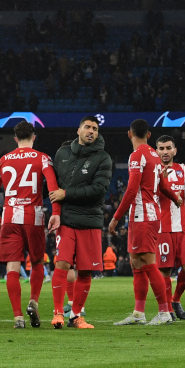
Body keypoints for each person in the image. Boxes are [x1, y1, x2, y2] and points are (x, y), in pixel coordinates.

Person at [0, 122, 59, 329]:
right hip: (33, 216)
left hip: (9, 216)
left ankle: (18, 318)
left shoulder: (3, 160)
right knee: (36, 263)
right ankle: (33, 301)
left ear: (15, 139)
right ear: (34, 137)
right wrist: (56, 213)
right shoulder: (43, 158)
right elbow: (52, 188)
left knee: (12, 268)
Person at [109, 120, 179, 327]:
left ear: (129, 134)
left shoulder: (137, 155)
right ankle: (139, 313)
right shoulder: (155, 156)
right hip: (145, 214)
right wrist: (176, 198)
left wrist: (115, 217)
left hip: (143, 215)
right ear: (149, 136)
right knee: (137, 264)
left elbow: (131, 190)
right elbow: (163, 185)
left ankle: (164, 311)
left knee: (148, 263)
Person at [47, 116, 112, 329]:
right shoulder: (62, 153)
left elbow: (98, 191)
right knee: (62, 264)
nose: (91, 131)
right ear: (78, 130)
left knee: (85, 271)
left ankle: (76, 316)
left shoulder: (103, 159)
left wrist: (66, 193)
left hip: (90, 220)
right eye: (87, 127)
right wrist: (55, 210)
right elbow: (53, 185)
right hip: (66, 220)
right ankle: (57, 313)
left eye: (95, 128)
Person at [153, 135, 185, 319]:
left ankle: (176, 300)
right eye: (161, 148)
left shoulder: (182, 169)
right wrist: (161, 181)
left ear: (175, 150)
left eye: (168, 148)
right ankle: (167, 308)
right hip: (163, 227)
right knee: (165, 270)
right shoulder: (153, 171)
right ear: (156, 151)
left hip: (183, 226)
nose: (165, 152)